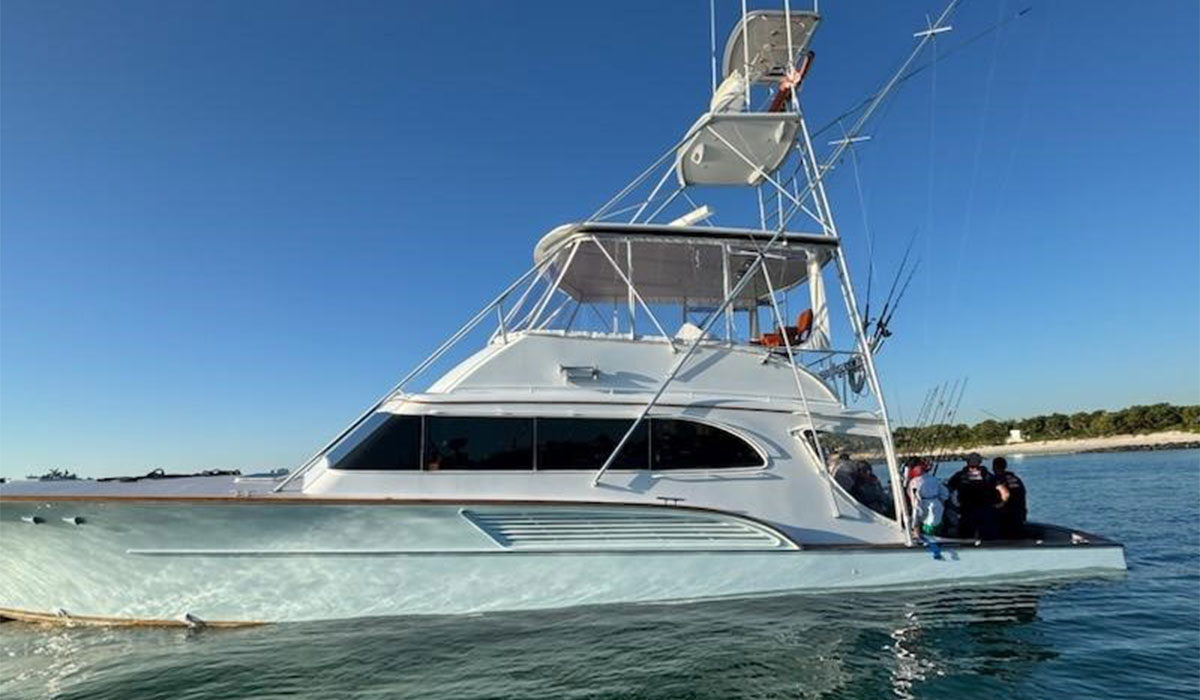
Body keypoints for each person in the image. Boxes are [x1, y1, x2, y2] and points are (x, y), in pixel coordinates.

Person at [947, 453, 1003, 540]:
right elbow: (1002, 490)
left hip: (973, 510)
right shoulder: (988, 476)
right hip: (977, 510)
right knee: (985, 535)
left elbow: (948, 490)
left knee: (968, 535)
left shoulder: (960, 475)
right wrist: (1000, 503)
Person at [907, 458, 949, 538]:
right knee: (936, 528)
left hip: (926, 511)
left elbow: (916, 504)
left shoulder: (914, 483)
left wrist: (915, 524)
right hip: (937, 508)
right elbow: (945, 493)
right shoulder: (933, 479)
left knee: (928, 531)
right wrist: (940, 502)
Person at [992, 457, 1027, 538]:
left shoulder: (995, 480)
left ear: (994, 467)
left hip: (1004, 517)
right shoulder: (1017, 479)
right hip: (1019, 515)